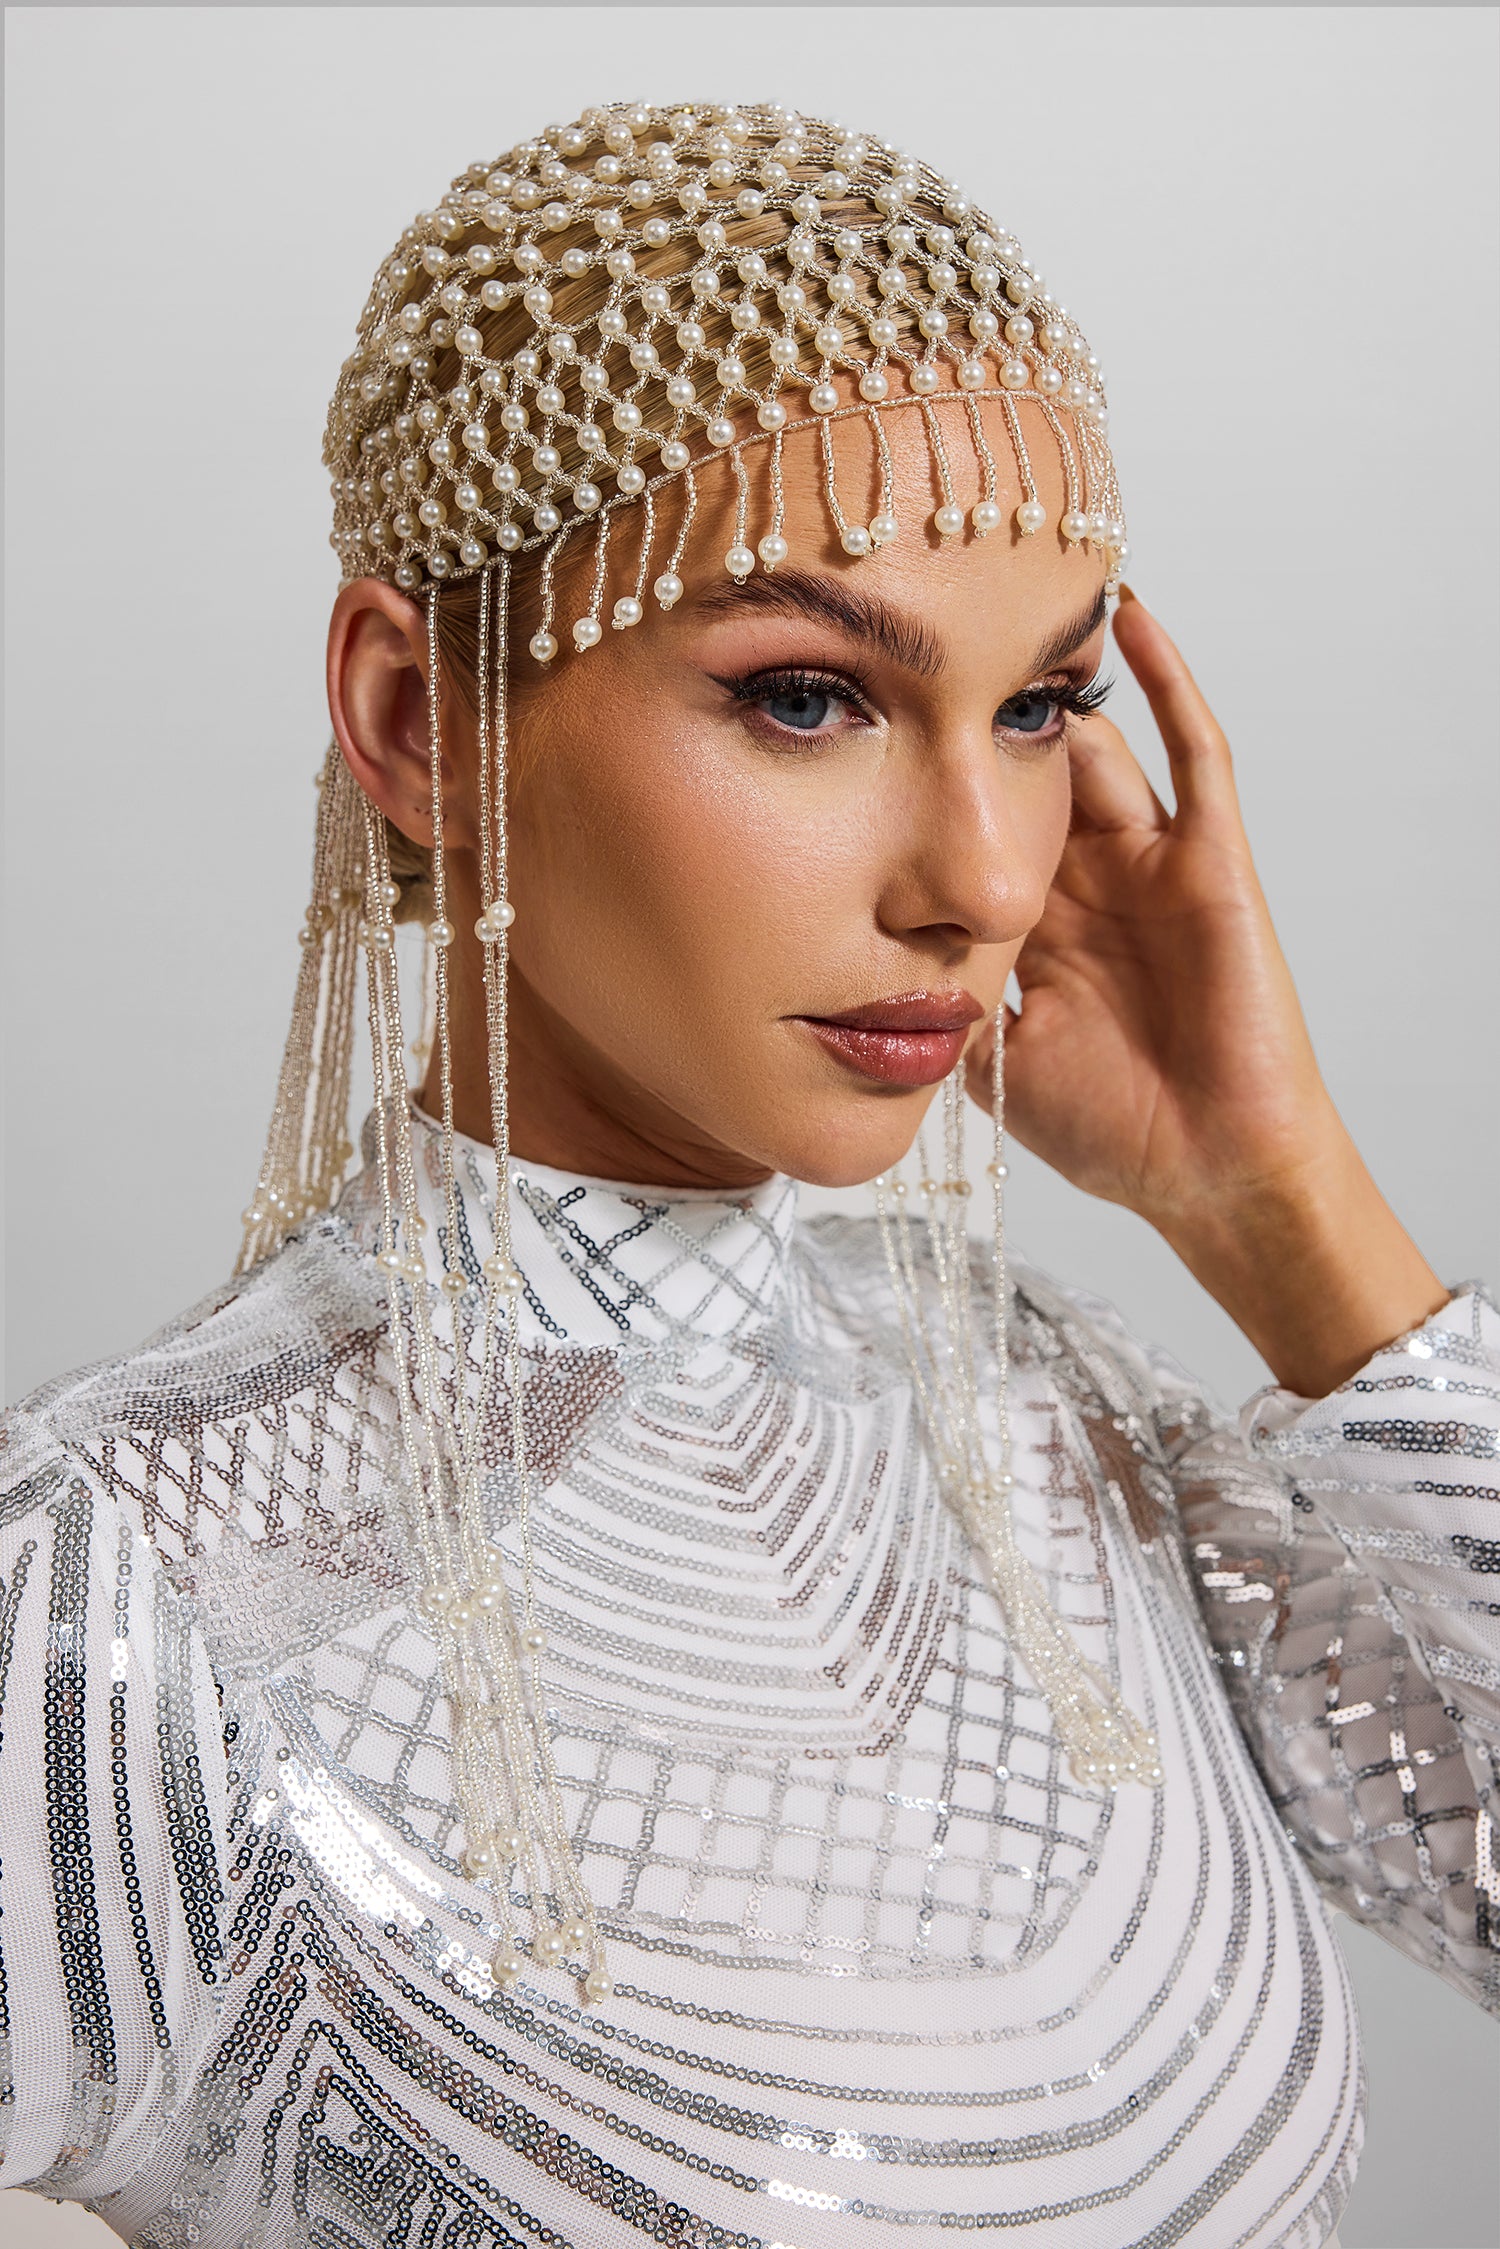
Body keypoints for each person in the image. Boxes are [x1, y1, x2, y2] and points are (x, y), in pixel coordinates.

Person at [0, 99, 1493, 2249]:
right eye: (808, 697)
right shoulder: (117, 1600)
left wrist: (1278, 1204)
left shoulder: (1064, 1434)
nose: (985, 879)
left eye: (1039, 708)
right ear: (417, 721)